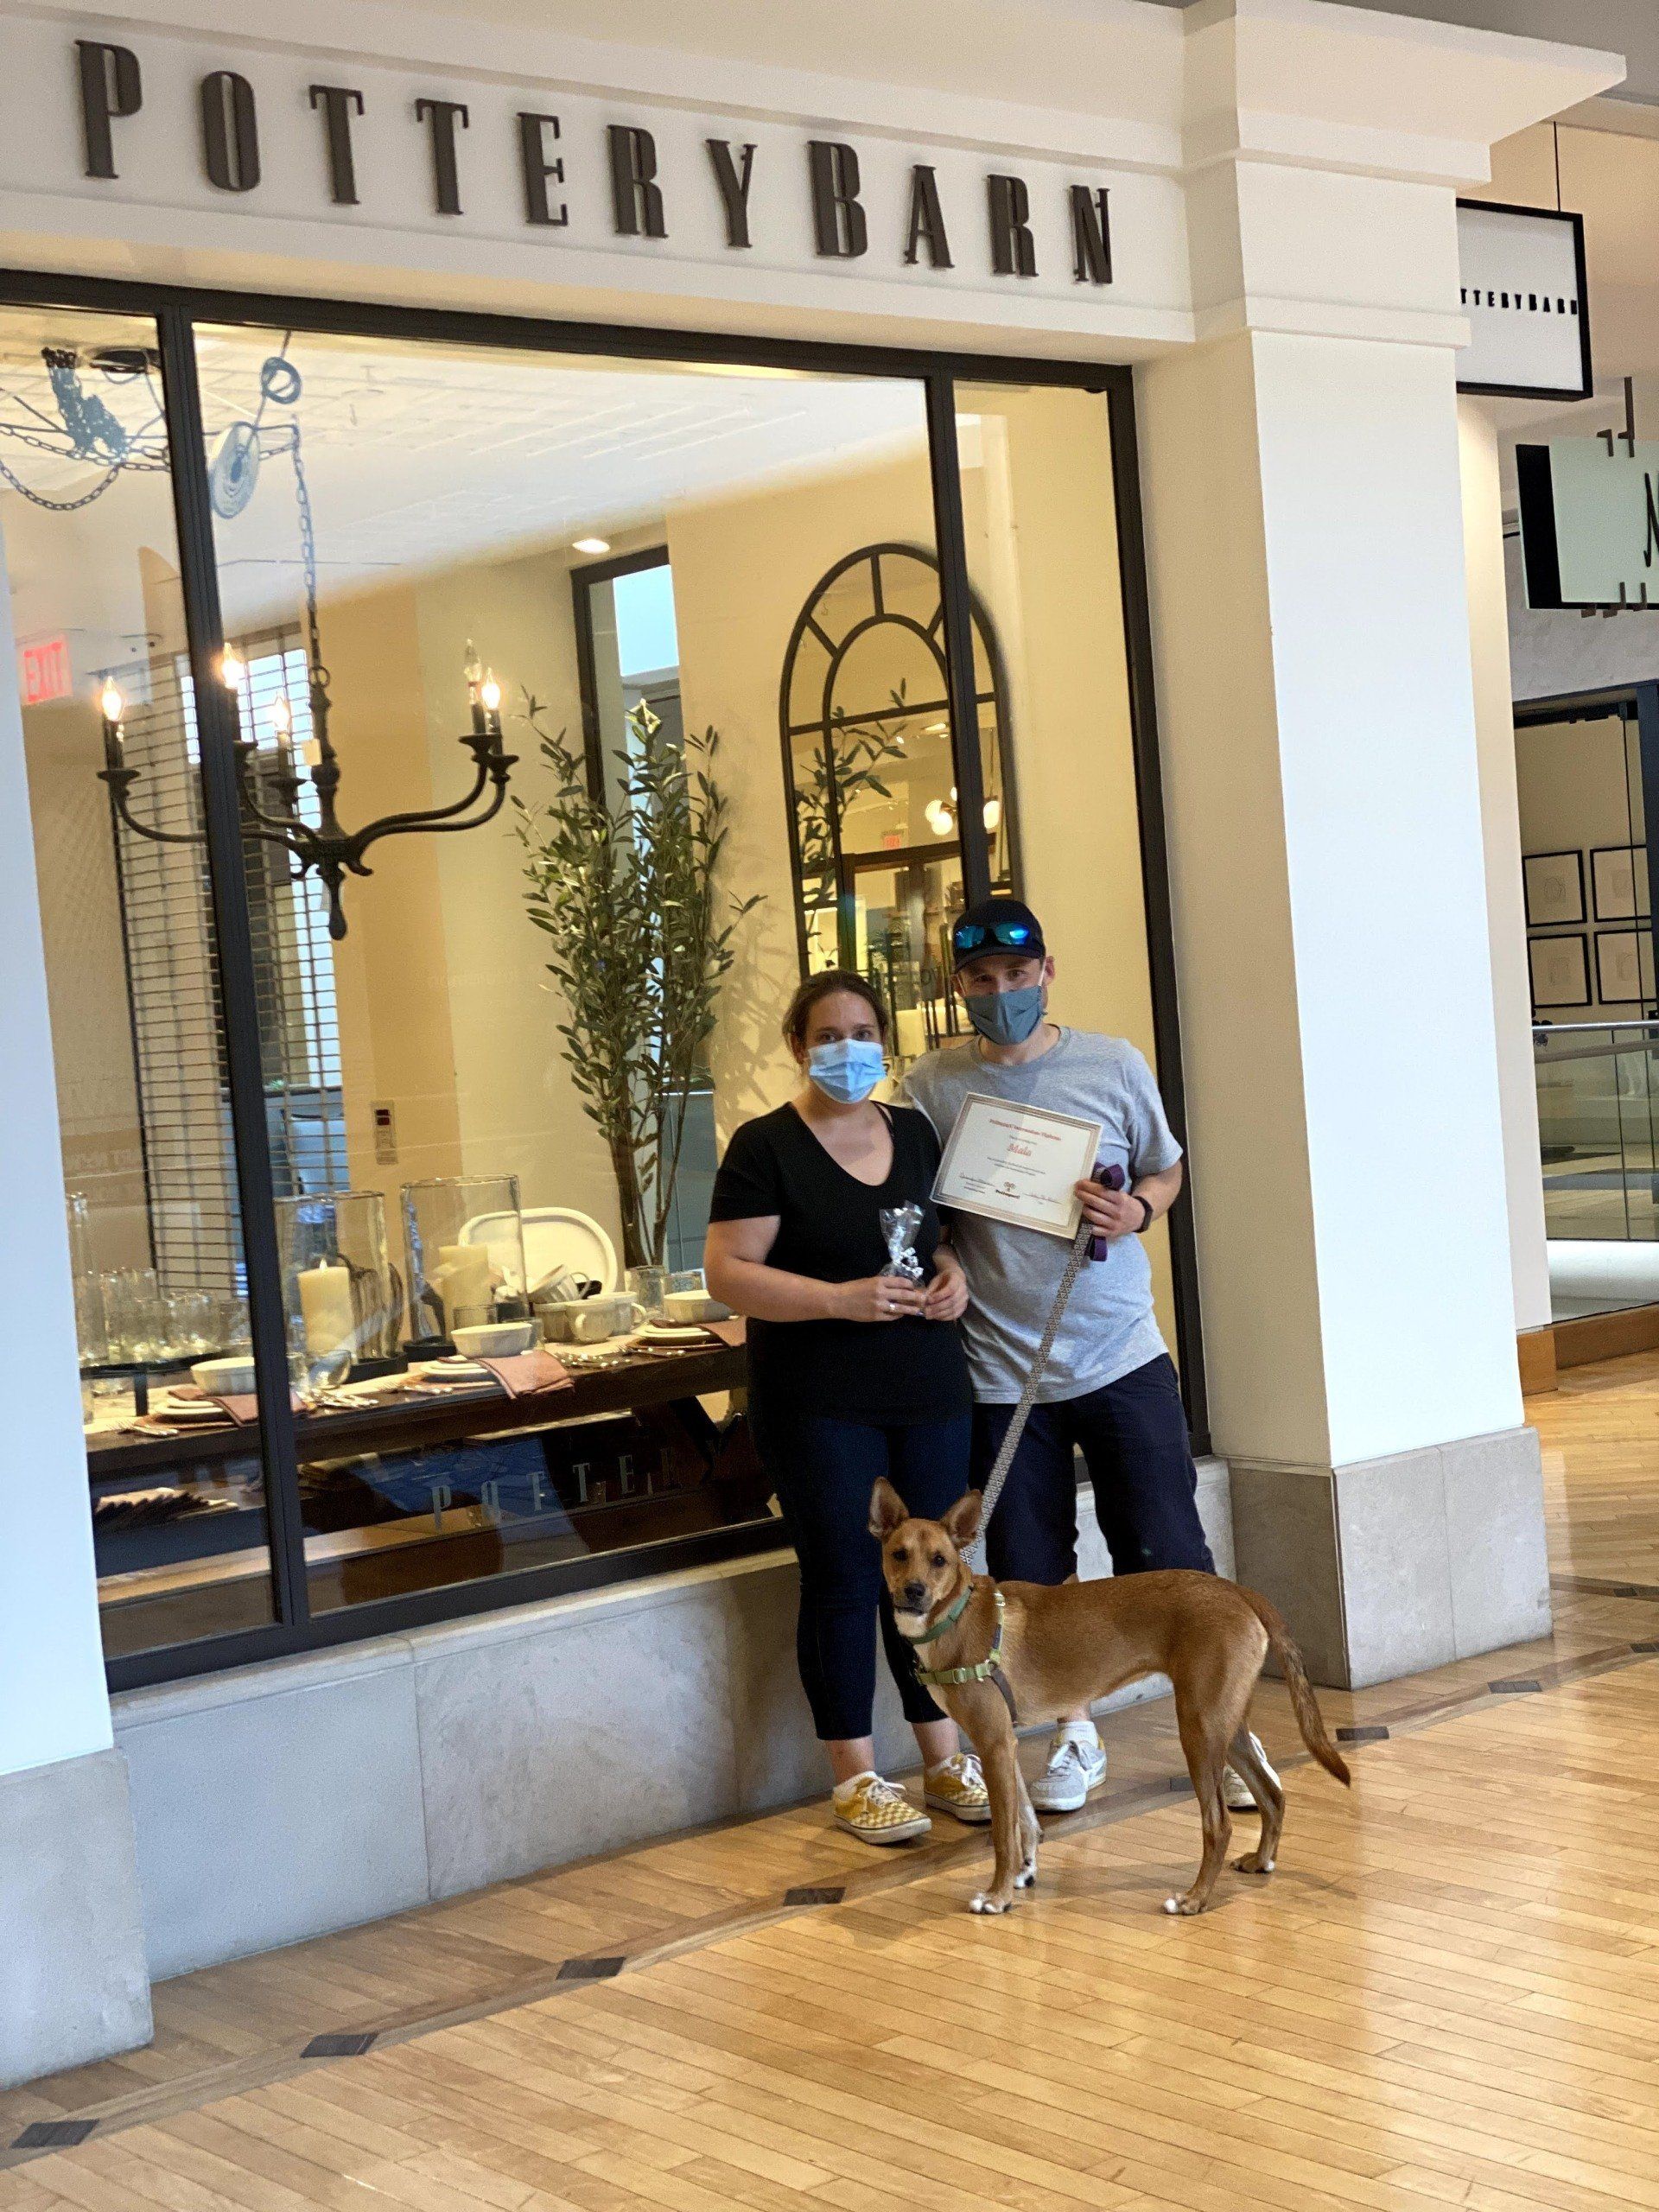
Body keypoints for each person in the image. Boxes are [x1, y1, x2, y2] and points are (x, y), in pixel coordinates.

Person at [900, 895, 1274, 1815]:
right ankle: (1076, 1734)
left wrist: (1137, 1209)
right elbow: (924, 1212)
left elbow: (1167, 1167)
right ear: (959, 986)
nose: (1002, 992)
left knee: (1169, 1550)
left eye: (1016, 974)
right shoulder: (932, 1085)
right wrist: (945, 1260)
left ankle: (1228, 1725)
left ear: (1046, 972)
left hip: (1120, 1355)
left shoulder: (1111, 1063)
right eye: (981, 979)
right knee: (1029, 1570)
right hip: (1003, 1369)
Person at [703, 969, 991, 1845]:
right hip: (820, 1403)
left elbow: (942, 1241)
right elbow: (727, 1274)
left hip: (928, 1391)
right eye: (828, 1036)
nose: (848, 1050)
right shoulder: (765, 1147)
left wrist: (953, 1277)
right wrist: (839, 1299)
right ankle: (857, 1777)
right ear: (798, 1045)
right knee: (842, 1579)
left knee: (934, 1580)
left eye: (863, 1033)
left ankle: (944, 1757)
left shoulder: (915, 1131)